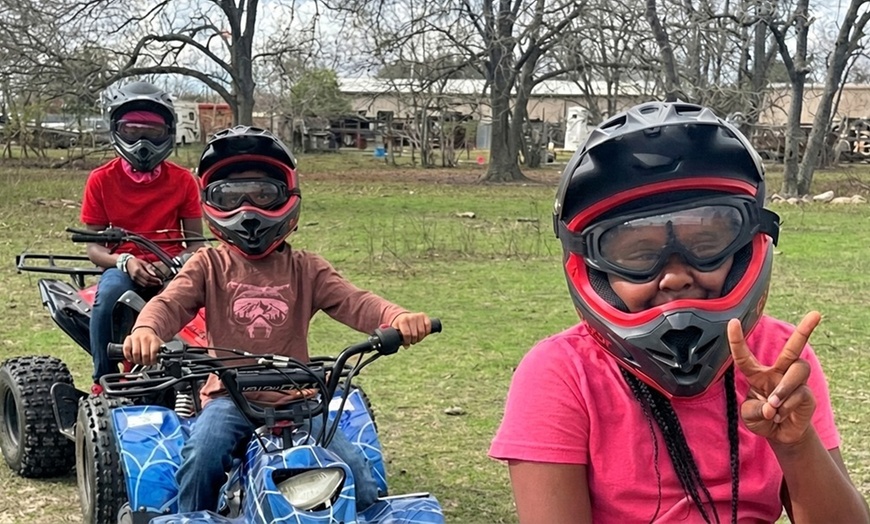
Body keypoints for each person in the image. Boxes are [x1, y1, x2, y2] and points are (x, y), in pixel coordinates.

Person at [489, 102, 870, 523]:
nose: (674, 276)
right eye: (638, 254)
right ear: (593, 269)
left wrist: (796, 445)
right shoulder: (561, 373)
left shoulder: (778, 360)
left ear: (746, 246)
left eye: (706, 245)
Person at [122, 125, 434, 514]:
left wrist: (398, 317)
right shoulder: (208, 263)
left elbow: (358, 302)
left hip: (300, 399)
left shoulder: (306, 268)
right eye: (231, 196)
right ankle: (192, 517)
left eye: (264, 194)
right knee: (201, 457)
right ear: (212, 201)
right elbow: (169, 303)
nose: (248, 209)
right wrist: (147, 330)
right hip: (229, 399)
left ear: (287, 196)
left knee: (357, 473)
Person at [81, 81, 204, 392]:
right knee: (107, 299)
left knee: (209, 303)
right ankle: (103, 379)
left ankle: (213, 374)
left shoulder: (184, 181)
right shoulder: (101, 180)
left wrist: (171, 264)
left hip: (171, 266)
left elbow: (197, 244)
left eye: (153, 132)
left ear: (169, 133)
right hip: (122, 267)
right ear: (117, 131)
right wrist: (124, 261)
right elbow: (93, 247)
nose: (143, 142)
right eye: (133, 131)